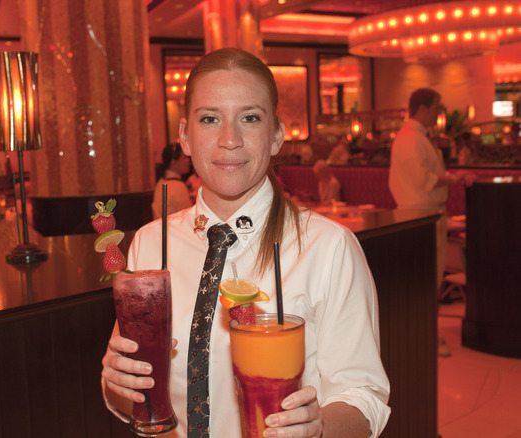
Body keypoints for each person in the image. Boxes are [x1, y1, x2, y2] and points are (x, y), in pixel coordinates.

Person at [102, 48, 390, 438]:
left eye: (250, 118)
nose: (230, 139)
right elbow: (130, 396)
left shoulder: (329, 247)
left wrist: (318, 427)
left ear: (276, 135)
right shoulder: (151, 245)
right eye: (209, 119)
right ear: (185, 136)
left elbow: (364, 397)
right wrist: (116, 384)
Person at [388, 88, 474, 289]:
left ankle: (429, 317)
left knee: (429, 271)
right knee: (425, 273)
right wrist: (453, 179)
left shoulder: (417, 136)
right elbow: (423, 179)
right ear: (422, 109)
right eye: (436, 108)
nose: (439, 113)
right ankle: (426, 318)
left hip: (425, 212)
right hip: (419, 213)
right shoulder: (411, 138)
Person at [152, 143, 194, 219]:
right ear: (173, 162)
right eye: (184, 157)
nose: (188, 160)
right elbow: (187, 218)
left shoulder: (161, 182)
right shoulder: (178, 186)